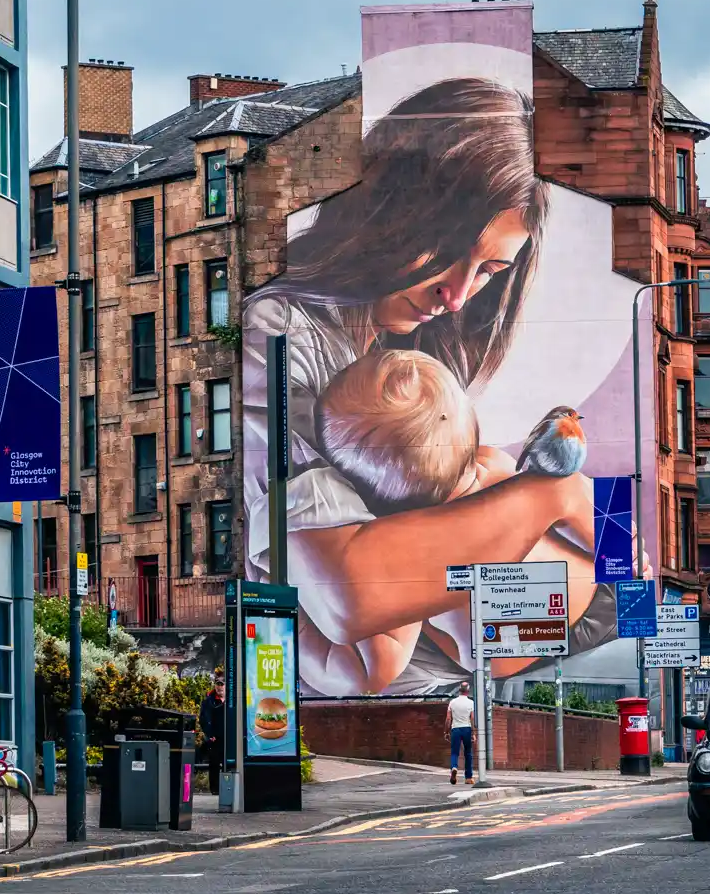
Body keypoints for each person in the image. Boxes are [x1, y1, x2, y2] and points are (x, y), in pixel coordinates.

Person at [244, 77, 617, 696]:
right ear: (393, 208)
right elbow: (353, 597)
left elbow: (500, 625)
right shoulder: (284, 332)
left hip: (507, 664)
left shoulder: (416, 364)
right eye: (447, 252)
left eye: (490, 271)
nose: (459, 294)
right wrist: (549, 499)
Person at [298, 347, 594, 694]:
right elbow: (584, 504)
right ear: (471, 427)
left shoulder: (409, 548)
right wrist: (624, 553)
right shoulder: (496, 464)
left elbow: (372, 669)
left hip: (516, 655)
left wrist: (299, 616)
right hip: (590, 598)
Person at [199, 667, 226, 796]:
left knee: (229, 762)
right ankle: (215, 789)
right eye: (217, 684)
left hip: (229, 736)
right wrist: (210, 735)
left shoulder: (232, 701)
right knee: (214, 763)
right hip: (215, 737)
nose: (219, 687)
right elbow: (203, 719)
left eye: (222, 685)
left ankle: (228, 787)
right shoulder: (209, 702)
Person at [446, 681, 476, 785]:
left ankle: (454, 767)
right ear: (468, 691)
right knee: (468, 753)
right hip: (467, 729)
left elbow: (448, 719)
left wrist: (446, 731)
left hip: (456, 729)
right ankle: (468, 778)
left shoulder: (452, 702)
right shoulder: (471, 703)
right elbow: (472, 718)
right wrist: (473, 732)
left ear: (459, 690)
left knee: (455, 752)